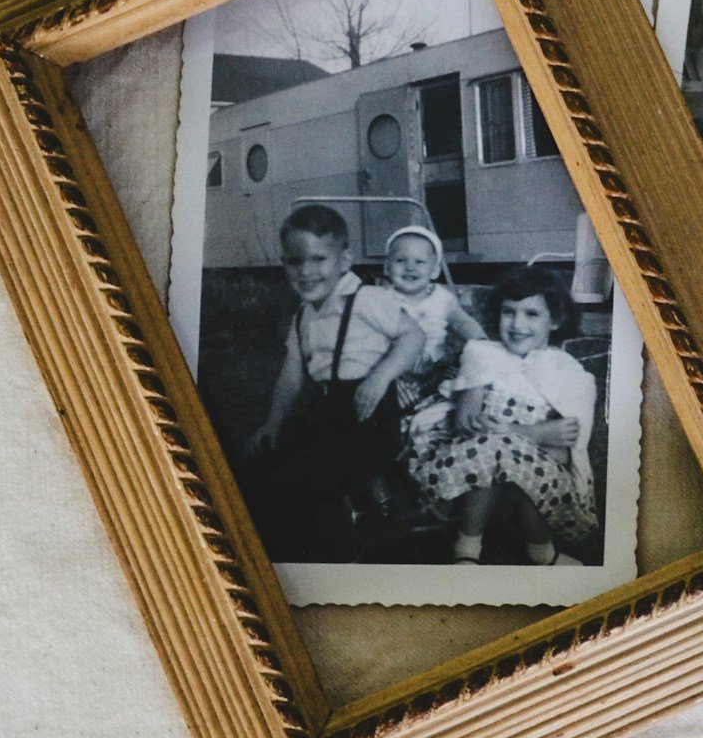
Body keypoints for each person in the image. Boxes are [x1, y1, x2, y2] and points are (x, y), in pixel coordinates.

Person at [245, 205, 425, 560]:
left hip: (368, 420)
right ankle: (269, 549)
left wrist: (379, 378)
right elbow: (292, 374)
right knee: (258, 460)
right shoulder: (303, 315)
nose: (306, 271)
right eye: (295, 261)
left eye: (318, 259)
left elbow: (413, 336)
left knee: (296, 481)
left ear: (344, 261)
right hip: (325, 414)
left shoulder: (367, 299)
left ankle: (332, 554)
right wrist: (274, 422)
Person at [406, 267, 599, 566]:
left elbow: (566, 451)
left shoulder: (569, 372)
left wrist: (512, 436)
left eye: (531, 314)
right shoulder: (483, 355)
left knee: (516, 454)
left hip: (532, 486)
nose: (517, 324)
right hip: (466, 481)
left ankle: (542, 551)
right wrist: (532, 433)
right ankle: (467, 549)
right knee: (495, 451)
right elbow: (465, 425)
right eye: (509, 312)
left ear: (555, 320)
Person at [378, 226, 484, 420]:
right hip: (399, 370)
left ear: (435, 270)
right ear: (387, 267)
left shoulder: (442, 298)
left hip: (436, 367)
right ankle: (411, 415)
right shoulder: (381, 299)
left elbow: (462, 322)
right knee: (388, 391)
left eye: (419, 262)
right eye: (400, 260)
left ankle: (436, 408)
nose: (410, 267)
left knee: (460, 377)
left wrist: (480, 339)